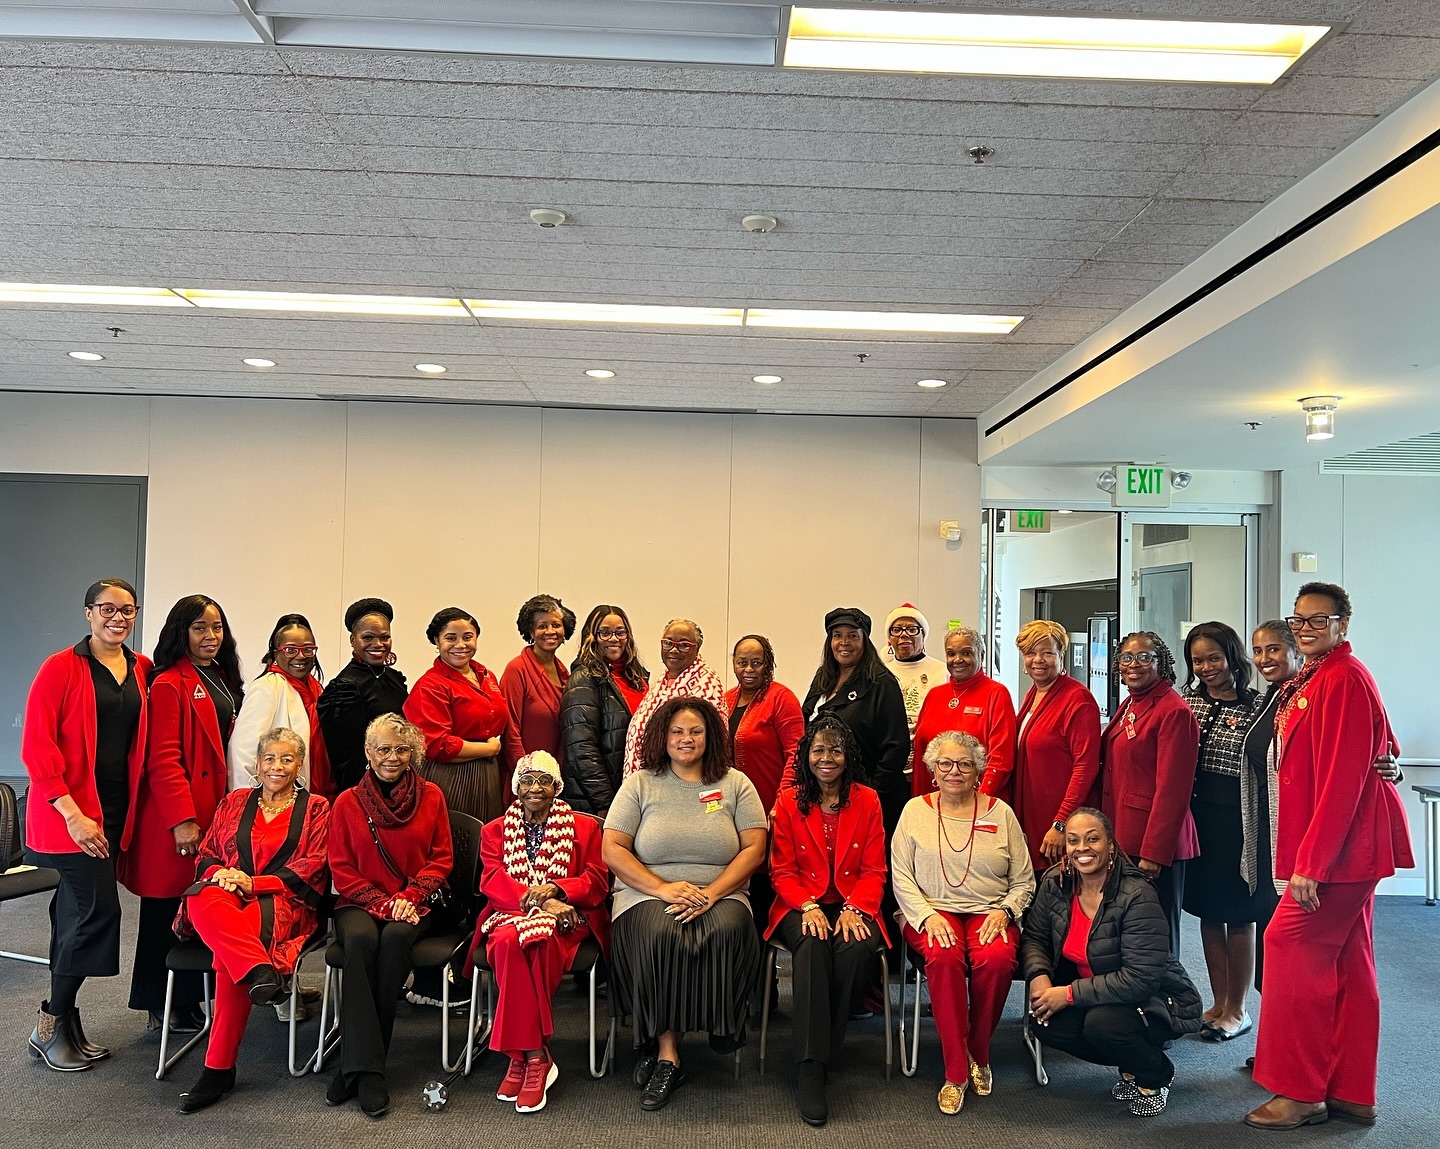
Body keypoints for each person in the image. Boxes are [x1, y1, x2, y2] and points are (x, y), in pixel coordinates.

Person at [1245, 584, 1413, 1131]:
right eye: (1299, 619)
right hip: (1344, 849)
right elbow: (1383, 742)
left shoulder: (1343, 678)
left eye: (1319, 619)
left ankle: (1300, 1093)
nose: (1306, 627)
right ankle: (1350, 1090)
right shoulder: (1316, 676)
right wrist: (1387, 757)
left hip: (1341, 853)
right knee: (1348, 962)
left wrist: (1311, 865)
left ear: (1343, 623)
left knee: (1286, 945)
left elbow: (1343, 779)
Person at [603, 697, 767, 1112]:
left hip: (722, 890)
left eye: (696, 731)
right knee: (662, 934)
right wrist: (662, 888)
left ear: (711, 737)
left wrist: (713, 893)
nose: (686, 738)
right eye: (677, 731)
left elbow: (754, 849)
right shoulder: (640, 783)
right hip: (647, 892)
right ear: (663, 737)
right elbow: (613, 848)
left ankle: (718, 1028)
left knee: (724, 930)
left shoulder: (735, 784)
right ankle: (667, 1055)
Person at [22, 578, 151, 1071]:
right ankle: (51, 1021)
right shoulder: (60, 667)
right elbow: (37, 746)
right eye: (107, 608)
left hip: (115, 809)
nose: (118, 617)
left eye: (127, 609)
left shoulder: (141, 668)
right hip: (69, 815)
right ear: (88, 612)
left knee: (73, 912)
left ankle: (64, 1026)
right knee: (97, 912)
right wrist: (73, 814)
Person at [174, 727, 330, 1112]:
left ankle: (217, 1068)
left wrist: (253, 883)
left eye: (287, 759)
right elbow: (208, 853)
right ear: (257, 764)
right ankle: (260, 972)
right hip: (227, 893)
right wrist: (224, 876)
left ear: (299, 765)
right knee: (200, 894)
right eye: (270, 758)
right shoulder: (234, 801)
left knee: (232, 953)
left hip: (282, 900)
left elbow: (314, 866)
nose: (277, 766)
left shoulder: (316, 808)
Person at [1022, 808, 1203, 1118]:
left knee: (1103, 1026)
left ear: (1110, 845)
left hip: (1155, 999)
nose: (1082, 848)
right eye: (1073, 840)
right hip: (1095, 992)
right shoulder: (1056, 882)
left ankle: (1156, 1074)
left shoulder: (1137, 894)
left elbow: (1139, 979)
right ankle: (1131, 1065)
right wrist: (1040, 978)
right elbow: (1035, 937)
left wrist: (1067, 994)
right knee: (1046, 1024)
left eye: (1092, 839)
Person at [892, 732, 1035, 1115]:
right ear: (933, 770)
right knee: (943, 956)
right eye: (945, 763)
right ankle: (956, 1072)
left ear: (979, 771)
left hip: (990, 911)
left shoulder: (1001, 813)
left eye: (965, 764)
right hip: (929, 911)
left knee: (998, 959)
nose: (954, 771)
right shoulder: (914, 811)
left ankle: (979, 1052)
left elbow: (1024, 880)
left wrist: (1006, 911)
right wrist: (926, 915)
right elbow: (900, 876)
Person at [121, 594, 243, 1035]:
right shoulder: (170, 683)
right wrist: (182, 820)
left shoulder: (220, 676)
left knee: (195, 906)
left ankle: (188, 999)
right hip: (175, 818)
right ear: (181, 631)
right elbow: (163, 759)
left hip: (212, 809)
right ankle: (159, 1002)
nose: (211, 636)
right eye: (199, 628)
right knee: (164, 909)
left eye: (217, 627)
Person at [326, 714, 453, 1120]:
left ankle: (359, 1067)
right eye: (383, 749)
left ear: (412, 753)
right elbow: (340, 868)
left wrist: (409, 896)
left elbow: (441, 859)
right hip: (359, 902)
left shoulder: (431, 796)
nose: (392, 757)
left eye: (401, 749)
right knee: (361, 940)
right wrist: (382, 903)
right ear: (368, 752)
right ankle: (368, 1068)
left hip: (414, 902)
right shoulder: (347, 802)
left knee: (396, 938)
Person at [766, 716, 888, 1126]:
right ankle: (811, 1068)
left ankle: (823, 1048)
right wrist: (808, 906)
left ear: (848, 755)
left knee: (854, 949)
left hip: (854, 902)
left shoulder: (868, 800)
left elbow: (874, 870)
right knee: (813, 943)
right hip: (800, 902)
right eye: (818, 750)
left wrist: (855, 908)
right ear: (806, 756)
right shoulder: (789, 801)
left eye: (835, 750)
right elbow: (782, 872)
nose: (826, 758)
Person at [477, 751, 610, 1114]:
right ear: (515, 788)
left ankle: (520, 1056)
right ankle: (534, 1055)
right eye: (526, 781)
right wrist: (538, 904)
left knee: (540, 940)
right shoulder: (494, 831)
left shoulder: (585, 828)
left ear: (557, 787)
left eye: (544, 781)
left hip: (569, 919)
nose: (534, 788)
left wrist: (557, 891)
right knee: (509, 941)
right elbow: (492, 880)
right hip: (510, 914)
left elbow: (597, 880)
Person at [1180, 622, 1265, 1041]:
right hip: (1199, 822)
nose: (1207, 667)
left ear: (1232, 656)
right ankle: (1218, 1003)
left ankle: (1239, 1009)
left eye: (1214, 658)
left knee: (1240, 916)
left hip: (1239, 823)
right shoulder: (1187, 703)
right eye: (1198, 661)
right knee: (1210, 913)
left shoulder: (1258, 706)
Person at [1100, 631, 1199, 957]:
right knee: (1132, 927)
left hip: (1154, 844)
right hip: (1125, 833)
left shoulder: (1174, 711)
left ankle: (1166, 990)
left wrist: (1154, 853)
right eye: (1127, 657)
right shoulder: (1133, 701)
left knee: (1158, 931)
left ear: (1161, 663)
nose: (1134, 664)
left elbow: (1173, 790)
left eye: (1144, 657)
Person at [404, 607, 522, 824]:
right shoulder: (430, 685)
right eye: (451, 638)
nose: (460, 645)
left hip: (487, 774)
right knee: (456, 836)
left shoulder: (486, 675)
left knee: (485, 837)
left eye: (468, 637)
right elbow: (437, 745)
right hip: (449, 775)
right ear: (436, 641)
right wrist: (489, 749)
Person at [800, 607, 909, 836]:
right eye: (837, 635)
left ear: (865, 640)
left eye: (852, 635)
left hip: (870, 800)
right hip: (825, 796)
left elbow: (896, 748)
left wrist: (870, 795)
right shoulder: (823, 678)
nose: (844, 643)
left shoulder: (881, 683)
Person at [1010, 619, 1101, 874]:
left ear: (1062, 654)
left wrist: (1061, 823)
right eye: (1030, 653)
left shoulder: (1078, 700)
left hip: (1057, 824)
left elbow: (1085, 768)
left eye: (1047, 653)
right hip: (1032, 816)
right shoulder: (1034, 693)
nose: (1038, 660)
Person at [726, 633, 804, 928]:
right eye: (742, 662)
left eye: (756, 662)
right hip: (730, 809)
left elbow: (797, 752)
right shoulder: (726, 699)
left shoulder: (781, 698)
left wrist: (782, 800)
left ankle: (764, 951)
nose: (748, 669)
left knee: (764, 882)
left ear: (768, 664)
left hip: (769, 805)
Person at [558, 604, 649, 817]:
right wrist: (606, 804)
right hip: (600, 802)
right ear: (592, 637)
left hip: (634, 793)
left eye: (620, 632)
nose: (614, 639)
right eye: (605, 632)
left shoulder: (638, 679)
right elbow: (581, 749)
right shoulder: (584, 679)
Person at [229, 613, 332, 796]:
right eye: (290, 650)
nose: (301, 656)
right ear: (276, 653)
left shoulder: (316, 690)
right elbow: (243, 753)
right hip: (272, 798)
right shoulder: (267, 686)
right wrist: (246, 801)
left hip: (308, 794)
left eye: (308, 649)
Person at [318, 598, 409, 795]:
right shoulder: (344, 688)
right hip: (366, 790)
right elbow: (345, 760)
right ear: (353, 640)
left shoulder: (395, 678)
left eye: (385, 637)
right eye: (368, 637)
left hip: (400, 781)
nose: (378, 644)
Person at [912, 627, 1016, 800]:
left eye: (966, 653)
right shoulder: (934, 695)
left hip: (978, 800)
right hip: (935, 799)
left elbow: (1001, 758)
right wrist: (921, 802)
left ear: (981, 655)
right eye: (951, 653)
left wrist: (980, 800)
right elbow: (921, 755)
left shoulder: (996, 693)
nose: (957, 659)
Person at [621, 619, 728, 778]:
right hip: (649, 780)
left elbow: (697, 747)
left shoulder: (706, 685)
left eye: (684, 645)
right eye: (668, 643)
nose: (674, 650)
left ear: (697, 648)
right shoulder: (661, 681)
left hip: (682, 782)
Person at [500, 594, 577, 763]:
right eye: (542, 626)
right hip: (525, 773)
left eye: (556, 625)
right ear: (531, 631)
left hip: (556, 772)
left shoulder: (566, 674)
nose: (550, 631)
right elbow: (510, 732)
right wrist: (524, 773)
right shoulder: (517, 669)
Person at [881, 603, 947, 769]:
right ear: (889, 637)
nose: (904, 635)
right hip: (891, 766)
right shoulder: (880, 674)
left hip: (933, 764)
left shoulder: (943, 671)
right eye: (897, 630)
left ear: (923, 634)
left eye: (912, 629)